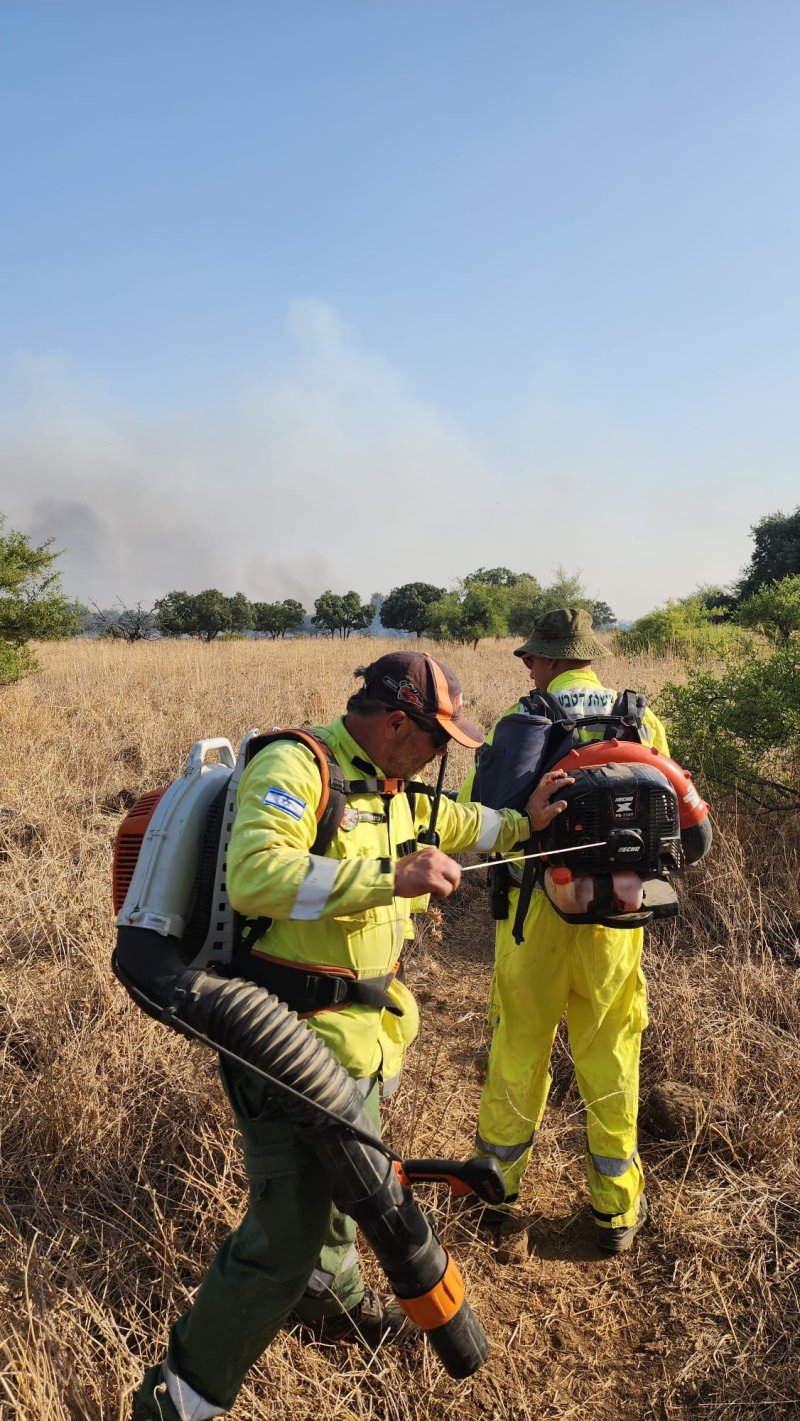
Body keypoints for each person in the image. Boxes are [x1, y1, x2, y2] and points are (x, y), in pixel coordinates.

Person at [132, 650, 569, 1421]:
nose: (443, 758)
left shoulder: (398, 786)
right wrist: (390, 879)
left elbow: (462, 822)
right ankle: (178, 1400)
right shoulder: (302, 766)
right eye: (439, 741)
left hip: (364, 1042)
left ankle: (332, 1302)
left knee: (347, 1180)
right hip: (285, 1043)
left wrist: (523, 821)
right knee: (283, 1238)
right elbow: (256, 874)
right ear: (398, 723)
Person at [460, 608, 669, 1255]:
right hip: (615, 916)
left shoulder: (522, 721)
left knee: (518, 1053)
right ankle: (615, 1211)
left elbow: (484, 809)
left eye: (531, 655)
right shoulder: (642, 717)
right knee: (610, 1058)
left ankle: (496, 1198)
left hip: (534, 919)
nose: (526, 664)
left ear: (551, 659)